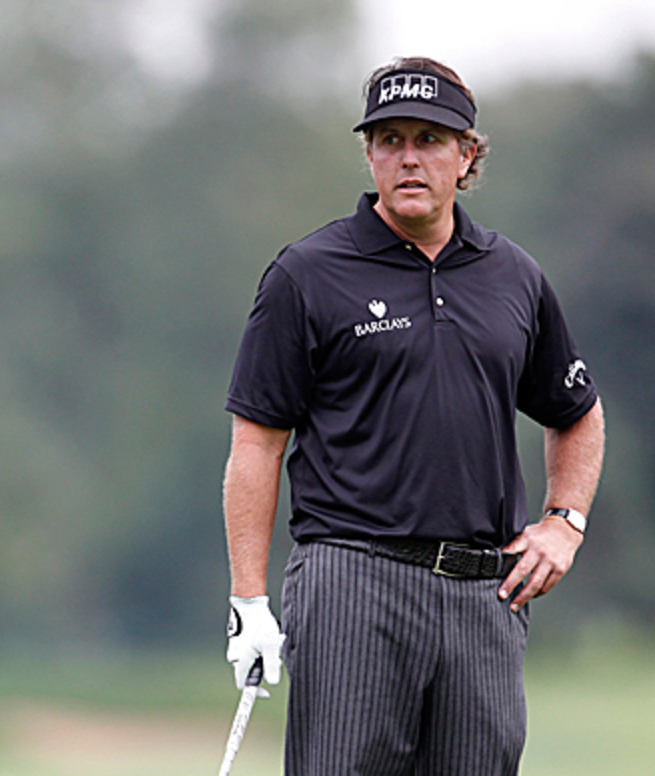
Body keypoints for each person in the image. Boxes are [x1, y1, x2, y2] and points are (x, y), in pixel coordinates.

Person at [221, 57, 605, 775]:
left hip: (483, 593)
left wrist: (565, 521)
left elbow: (577, 411)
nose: (408, 157)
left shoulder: (513, 277)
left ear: (467, 156)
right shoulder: (307, 273)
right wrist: (250, 600)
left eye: (429, 139)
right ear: (368, 154)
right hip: (351, 581)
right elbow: (257, 443)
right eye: (389, 138)